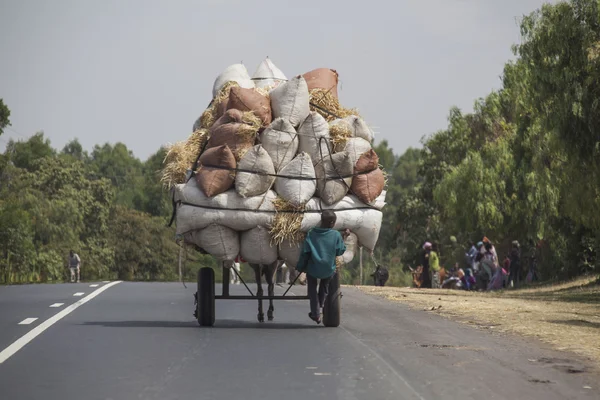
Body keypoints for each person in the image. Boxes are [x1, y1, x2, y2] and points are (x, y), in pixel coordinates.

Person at [296, 210, 347, 324]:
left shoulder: (311, 233)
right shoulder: (335, 235)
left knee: (312, 290)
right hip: (328, 269)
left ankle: (316, 314)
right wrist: (344, 238)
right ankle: (320, 306)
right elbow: (340, 251)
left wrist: (300, 267)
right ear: (332, 223)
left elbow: (305, 253)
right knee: (324, 286)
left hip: (313, 269)